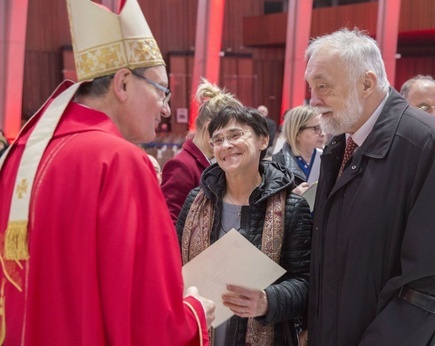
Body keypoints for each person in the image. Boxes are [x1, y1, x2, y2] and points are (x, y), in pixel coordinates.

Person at [0, 0, 214, 344]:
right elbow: (151, 320)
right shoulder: (120, 162)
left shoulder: (20, 154)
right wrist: (195, 311)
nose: (166, 107)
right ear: (123, 84)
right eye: (161, 90)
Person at [304, 28, 435, 345]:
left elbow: (430, 282)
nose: (313, 100)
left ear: (367, 83)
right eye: (312, 87)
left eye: (323, 86)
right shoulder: (339, 146)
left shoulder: (429, 143)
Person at [176, 105, 312, 345]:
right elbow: (174, 267)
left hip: (267, 334)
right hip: (202, 332)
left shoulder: (291, 207)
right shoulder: (196, 201)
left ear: (263, 140)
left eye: (235, 135)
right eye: (218, 140)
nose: (226, 145)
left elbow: (306, 282)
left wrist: (268, 300)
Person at [161, 78, 241, 227]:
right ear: (209, 127)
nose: (230, 143)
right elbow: (169, 224)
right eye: (227, 134)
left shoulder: (212, 160)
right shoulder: (182, 165)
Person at [271, 105, 325, 195]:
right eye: (316, 129)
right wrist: (293, 198)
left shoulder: (332, 159)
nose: (322, 134)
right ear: (297, 133)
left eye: (323, 127)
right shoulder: (276, 166)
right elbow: (269, 206)